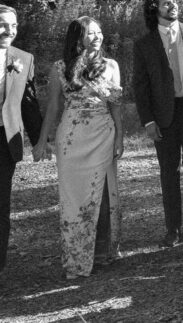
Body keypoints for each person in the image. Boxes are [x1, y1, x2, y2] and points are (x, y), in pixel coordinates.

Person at [34, 17, 123, 278]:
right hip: (72, 138)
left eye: (99, 32)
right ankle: (76, 256)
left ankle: (103, 252)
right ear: (77, 38)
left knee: (104, 193)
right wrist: (42, 140)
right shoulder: (60, 68)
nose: (96, 37)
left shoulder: (111, 66)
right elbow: (53, 107)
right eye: (90, 33)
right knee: (74, 198)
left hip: (103, 133)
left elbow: (116, 105)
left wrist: (119, 137)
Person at [133, 0, 183, 247]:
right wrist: (148, 121)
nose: (173, 6)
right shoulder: (144, 44)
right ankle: (172, 228)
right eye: (166, 3)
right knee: (169, 170)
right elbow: (140, 86)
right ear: (155, 9)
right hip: (163, 112)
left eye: (174, 1)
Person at [0, 5, 42, 273]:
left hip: (6, 140)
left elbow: (30, 104)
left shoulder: (23, 59)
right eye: (3, 24)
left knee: (1, 206)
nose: (9, 31)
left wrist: (40, 140)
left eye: (14, 26)